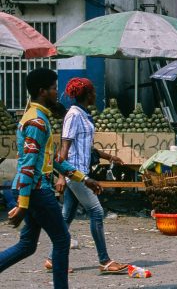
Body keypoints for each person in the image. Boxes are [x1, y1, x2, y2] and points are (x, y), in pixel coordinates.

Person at [0, 69, 103, 289]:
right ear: (42, 91)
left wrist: (84, 179)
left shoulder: (39, 118)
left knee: (27, 245)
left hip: (31, 189)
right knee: (62, 240)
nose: (58, 92)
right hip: (36, 190)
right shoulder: (37, 122)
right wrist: (23, 205)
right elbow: (28, 165)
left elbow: (54, 159)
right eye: (54, 88)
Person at [46, 78, 129, 274]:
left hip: (81, 171)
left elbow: (85, 146)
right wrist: (61, 176)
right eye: (93, 92)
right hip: (75, 174)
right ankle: (105, 261)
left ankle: (52, 259)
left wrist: (109, 156)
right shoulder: (74, 115)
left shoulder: (83, 114)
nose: (96, 95)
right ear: (88, 94)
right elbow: (64, 147)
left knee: (66, 216)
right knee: (97, 212)